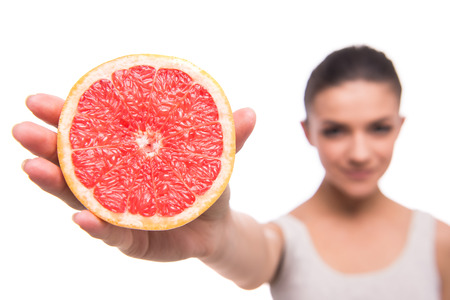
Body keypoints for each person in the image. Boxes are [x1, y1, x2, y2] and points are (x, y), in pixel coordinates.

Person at [12, 45, 450, 299]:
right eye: (335, 130)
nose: (359, 152)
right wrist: (215, 240)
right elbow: (249, 253)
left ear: (400, 127)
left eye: (378, 128)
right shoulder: (283, 239)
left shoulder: (440, 241)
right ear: (308, 132)